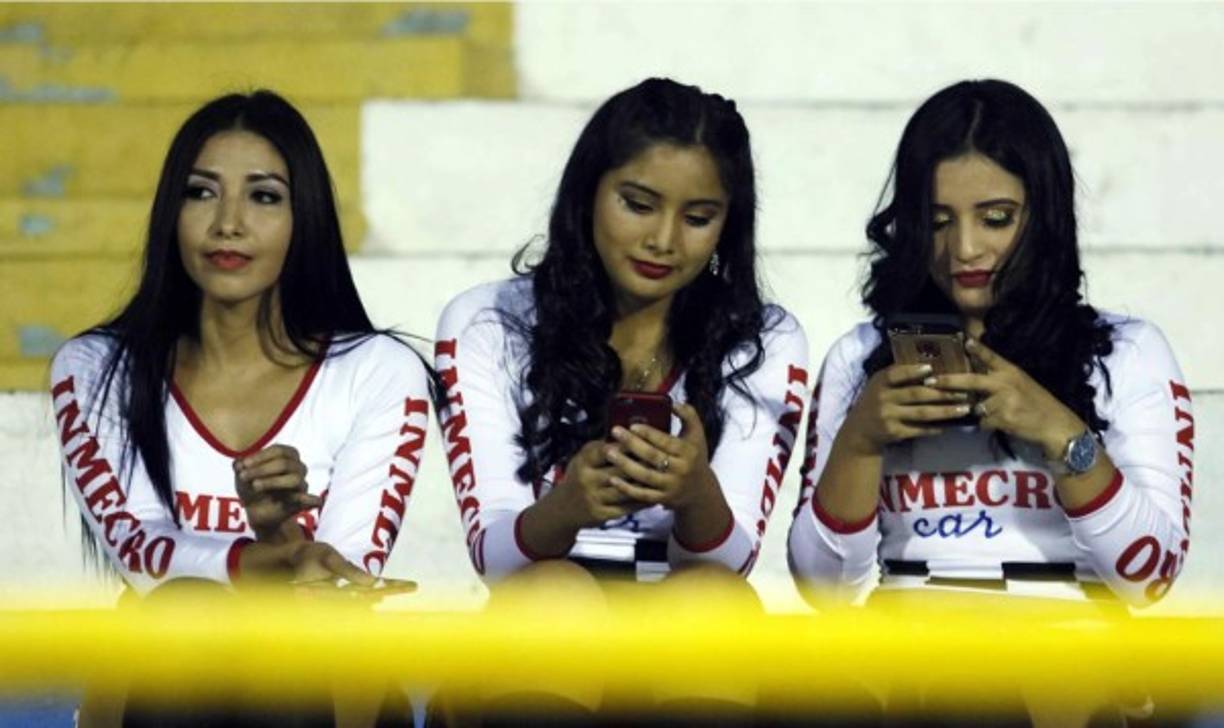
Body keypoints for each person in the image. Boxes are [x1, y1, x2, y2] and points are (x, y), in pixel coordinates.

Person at [787, 79, 1194, 724]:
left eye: (996, 219)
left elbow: (1149, 578)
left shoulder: (1127, 350)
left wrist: (1062, 433)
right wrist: (860, 442)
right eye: (938, 221)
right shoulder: (860, 355)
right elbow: (823, 589)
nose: (965, 250)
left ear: (1046, 216)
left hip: (1065, 637)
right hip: (909, 638)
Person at [432, 77, 809, 721]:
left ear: (728, 224)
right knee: (554, 596)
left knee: (712, 607)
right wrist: (569, 508)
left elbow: (730, 562)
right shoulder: (487, 321)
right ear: (587, 195)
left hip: (683, 620)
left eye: (698, 218)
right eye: (638, 204)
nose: (664, 240)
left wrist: (696, 495)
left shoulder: (763, 339)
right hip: (540, 619)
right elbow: (494, 558)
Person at [50, 90, 431, 725]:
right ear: (169, 212)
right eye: (201, 193)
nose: (228, 222)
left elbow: (339, 584)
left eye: (263, 196)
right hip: (162, 676)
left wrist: (278, 533)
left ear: (303, 216)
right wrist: (273, 557)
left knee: (286, 650)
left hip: (321, 677)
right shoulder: (95, 369)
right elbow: (146, 560)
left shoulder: (379, 372)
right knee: (183, 615)